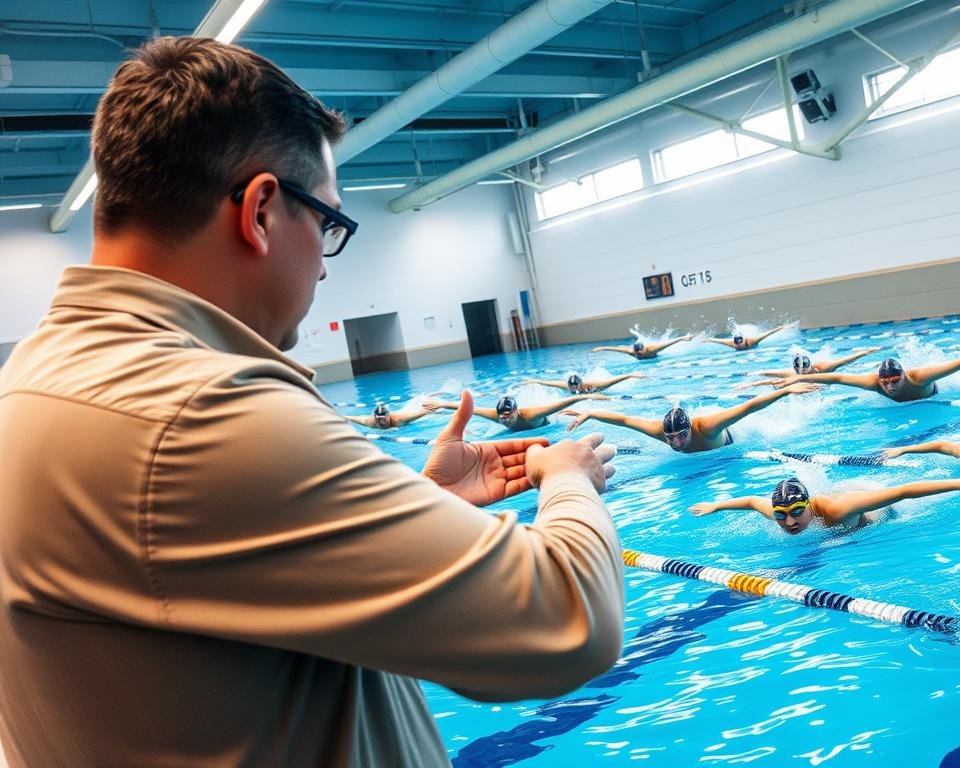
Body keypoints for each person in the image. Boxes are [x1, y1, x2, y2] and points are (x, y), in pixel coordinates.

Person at [0, 38, 625, 767]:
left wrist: (415, 509)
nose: (327, 265)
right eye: (328, 224)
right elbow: (567, 620)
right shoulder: (198, 413)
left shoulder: (36, 385)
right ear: (262, 210)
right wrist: (570, 478)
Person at [689, 473, 960, 533]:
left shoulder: (836, 511)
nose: (789, 523)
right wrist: (716, 506)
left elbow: (904, 491)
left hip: (879, 515)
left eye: (796, 513)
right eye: (782, 516)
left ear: (809, 506)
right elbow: (749, 500)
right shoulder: (778, 514)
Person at [563, 383, 821, 452]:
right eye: (671, 437)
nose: (675, 442)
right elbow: (624, 420)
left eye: (681, 435)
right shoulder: (659, 432)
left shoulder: (706, 427)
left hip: (733, 440)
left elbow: (749, 407)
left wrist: (785, 390)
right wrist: (591, 412)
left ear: (690, 429)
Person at [759, 350, 960, 402]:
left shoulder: (918, 376)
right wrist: (796, 380)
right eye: (885, 382)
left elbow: (959, 364)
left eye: (893, 381)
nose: (889, 387)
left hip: (933, 397)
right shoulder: (872, 383)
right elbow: (837, 379)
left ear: (902, 376)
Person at [428, 393, 611, 433]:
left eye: (508, 414)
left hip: (552, 422)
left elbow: (561, 402)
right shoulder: (497, 416)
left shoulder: (531, 415)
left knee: (561, 413)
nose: (504, 419)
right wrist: (442, 403)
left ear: (516, 411)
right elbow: (468, 408)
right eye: (502, 415)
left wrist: (589, 396)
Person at [737, 346, 882, 384]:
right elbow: (770, 373)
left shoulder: (823, 368)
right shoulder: (793, 374)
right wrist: (753, 378)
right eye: (800, 373)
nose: (803, 374)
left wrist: (865, 352)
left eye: (805, 371)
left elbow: (846, 360)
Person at [346, 399, 451, 429]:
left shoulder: (399, 419)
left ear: (388, 416)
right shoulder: (370, 422)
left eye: (382, 418)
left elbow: (424, 412)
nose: (380, 422)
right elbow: (353, 418)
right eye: (377, 419)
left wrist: (441, 405)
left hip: (409, 412)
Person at [522, 372, 645, 394]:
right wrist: (536, 381)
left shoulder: (595, 385)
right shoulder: (567, 387)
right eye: (571, 387)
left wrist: (630, 375)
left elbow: (612, 381)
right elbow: (549, 383)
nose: (573, 389)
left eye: (575, 387)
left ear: (580, 384)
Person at [591, 335, 691, 360]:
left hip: (654, 357)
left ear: (644, 349)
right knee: (622, 347)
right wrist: (601, 348)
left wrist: (682, 338)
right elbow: (614, 349)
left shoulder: (652, 349)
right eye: (636, 352)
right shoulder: (631, 351)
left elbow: (669, 343)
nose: (637, 354)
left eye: (639, 352)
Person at [705, 323, 791, 351]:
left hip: (752, 347)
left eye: (739, 343)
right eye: (737, 344)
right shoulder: (732, 344)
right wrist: (708, 340)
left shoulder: (752, 340)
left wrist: (781, 328)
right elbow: (718, 341)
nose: (738, 345)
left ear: (743, 341)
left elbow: (768, 333)